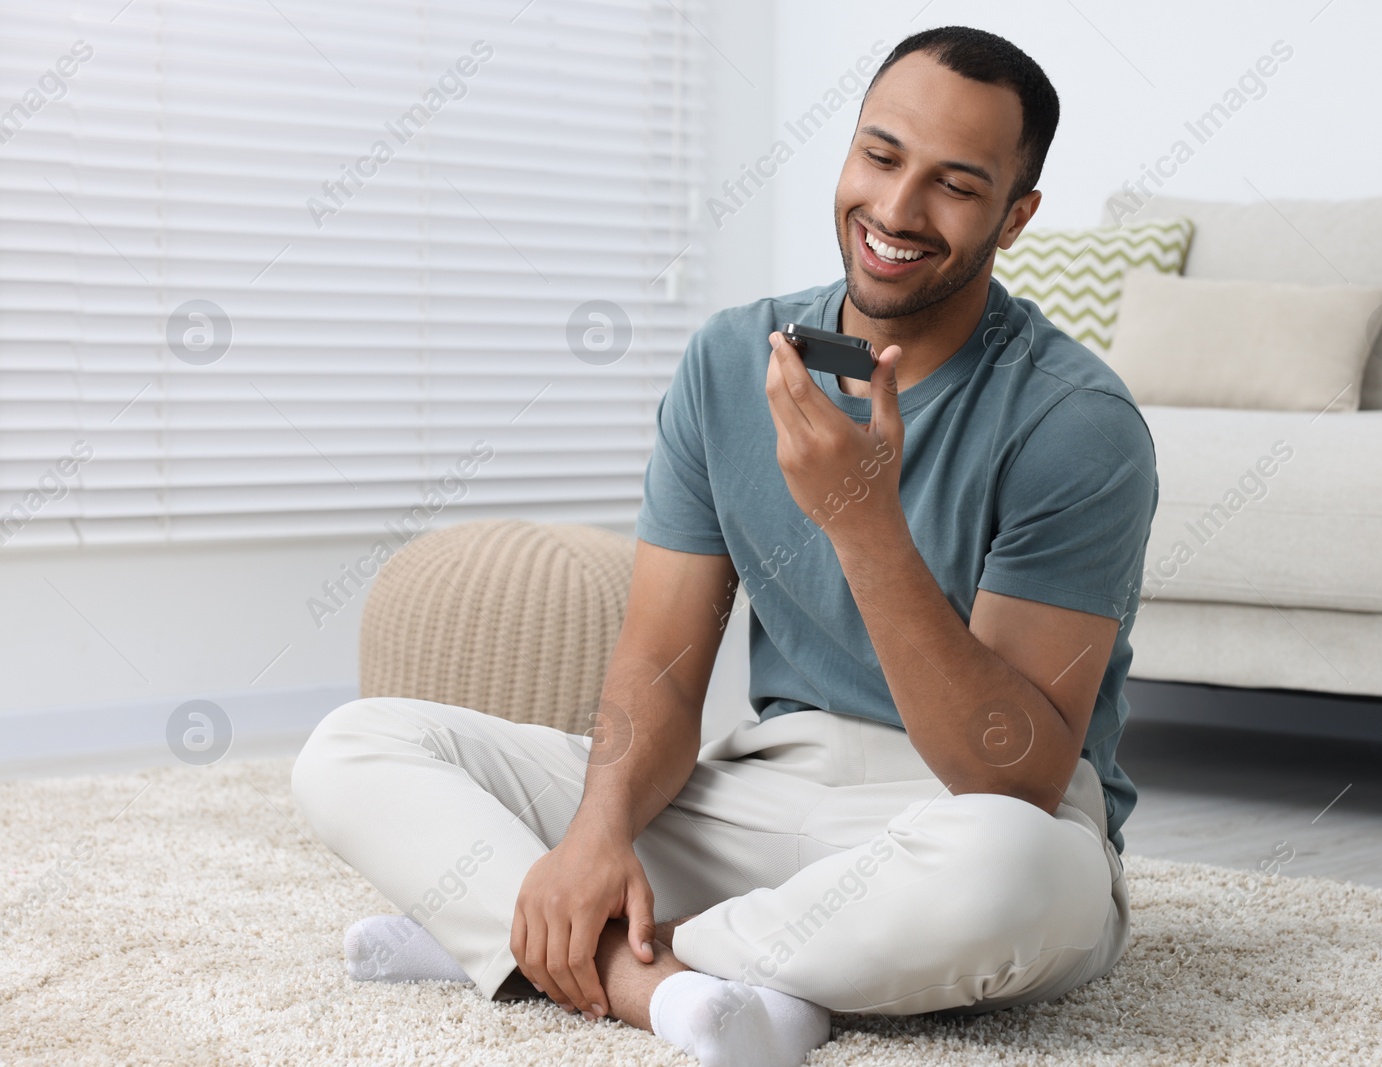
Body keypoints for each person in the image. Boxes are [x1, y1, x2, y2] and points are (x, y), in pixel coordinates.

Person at [293, 24, 1158, 1067]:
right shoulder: (727, 361)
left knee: (1012, 875)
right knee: (354, 745)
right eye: (880, 157)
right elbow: (660, 659)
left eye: (955, 185)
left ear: (1015, 217)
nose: (893, 209)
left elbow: (1008, 772)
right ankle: (676, 969)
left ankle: (548, 947)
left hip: (965, 815)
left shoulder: (1077, 422)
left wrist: (862, 522)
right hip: (763, 792)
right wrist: (597, 834)